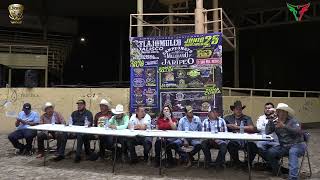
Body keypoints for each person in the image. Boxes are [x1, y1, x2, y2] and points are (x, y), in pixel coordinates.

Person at [266, 103, 306, 179]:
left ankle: (293, 178)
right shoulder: (275, 121)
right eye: (278, 111)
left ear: (286, 112)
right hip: (284, 146)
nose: (279, 113)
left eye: (281, 111)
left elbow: (298, 131)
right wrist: (270, 121)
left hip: (297, 145)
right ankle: (278, 172)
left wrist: (284, 126)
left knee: (292, 152)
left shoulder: (293, 121)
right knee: (270, 152)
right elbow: (267, 132)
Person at [224, 100, 258, 167]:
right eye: (237, 109)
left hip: (245, 139)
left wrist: (237, 127)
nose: (238, 110)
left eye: (240, 109)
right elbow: (222, 125)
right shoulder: (227, 118)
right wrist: (228, 125)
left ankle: (247, 163)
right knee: (230, 145)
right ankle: (237, 162)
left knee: (253, 146)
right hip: (234, 139)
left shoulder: (247, 118)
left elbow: (251, 128)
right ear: (233, 110)